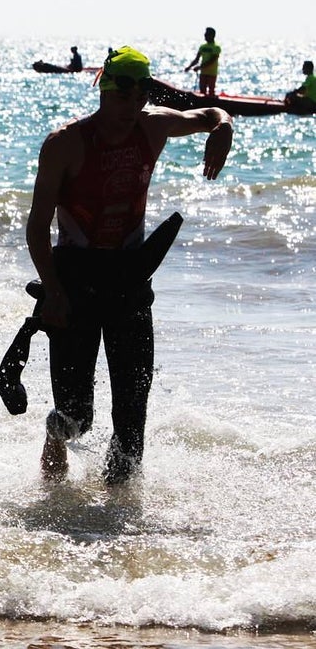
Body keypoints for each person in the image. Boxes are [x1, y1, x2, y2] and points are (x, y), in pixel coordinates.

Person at [26, 46, 233, 485]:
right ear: (103, 87)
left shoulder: (153, 126)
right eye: (121, 96)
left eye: (138, 96)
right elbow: (36, 228)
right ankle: (55, 441)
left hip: (129, 279)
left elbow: (211, 113)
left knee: (132, 412)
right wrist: (54, 292)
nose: (129, 107)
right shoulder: (65, 144)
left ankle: (118, 521)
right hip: (76, 279)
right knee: (75, 415)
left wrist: (224, 128)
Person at [184, 27, 221, 96]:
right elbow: (196, 59)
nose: (205, 35)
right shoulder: (202, 47)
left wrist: (200, 67)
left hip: (212, 73)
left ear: (212, 35)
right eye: (205, 34)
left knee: (211, 92)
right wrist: (189, 67)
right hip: (203, 73)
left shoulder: (216, 47)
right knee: (202, 91)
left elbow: (212, 60)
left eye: (207, 34)